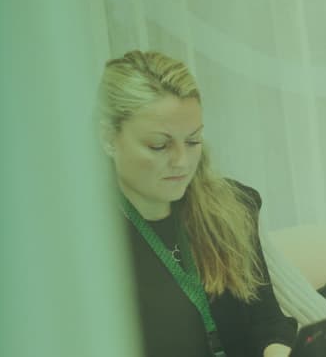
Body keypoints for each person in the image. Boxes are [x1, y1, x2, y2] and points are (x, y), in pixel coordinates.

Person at [99, 50, 296, 357]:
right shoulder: (87, 247)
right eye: (159, 145)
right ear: (108, 139)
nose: (182, 161)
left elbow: (267, 322)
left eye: (193, 141)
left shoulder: (231, 208)